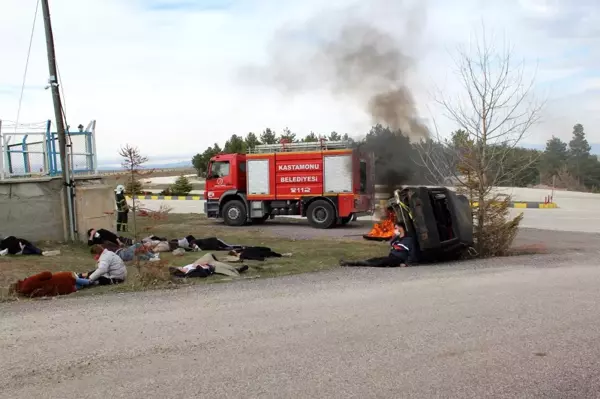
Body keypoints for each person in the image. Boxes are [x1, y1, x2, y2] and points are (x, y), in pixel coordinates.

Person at [340, 222, 416, 267]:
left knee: (377, 263)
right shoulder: (397, 239)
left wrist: (406, 264)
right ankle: (352, 262)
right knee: (375, 259)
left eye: (396, 228)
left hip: (397, 259)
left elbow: (413, 253)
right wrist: (396, 236)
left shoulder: (408, 240)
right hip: (391, 257)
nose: (395, 230)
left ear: (401, 228)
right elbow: (391, 243)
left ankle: (351, 263)